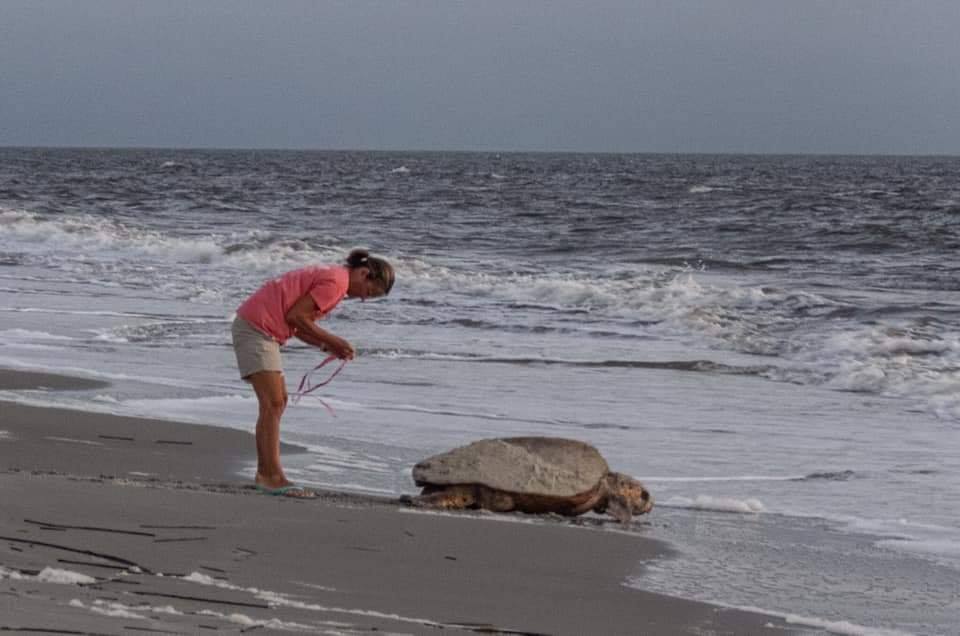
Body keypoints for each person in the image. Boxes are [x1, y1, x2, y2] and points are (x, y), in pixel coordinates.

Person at [231, 248, 395, 497]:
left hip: (259, 327)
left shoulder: (334, 277)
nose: (363, 298)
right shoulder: (337, 283)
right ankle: (270, 476)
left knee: (277, 402)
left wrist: (326, 345)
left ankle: (267, 473)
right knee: (273, 403)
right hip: (257, 328)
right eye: (369, 292)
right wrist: (336, 341)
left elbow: (297, 324)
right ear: (364, 274)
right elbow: (296, 317)